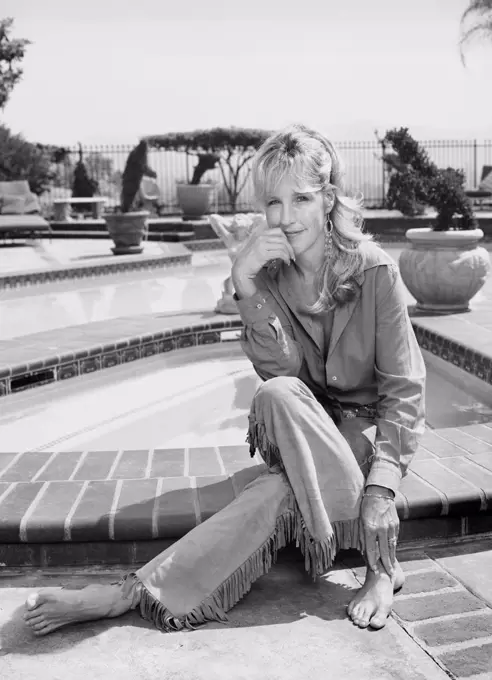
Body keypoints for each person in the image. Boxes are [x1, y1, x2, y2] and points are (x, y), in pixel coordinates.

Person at [23, 124, 426, 637]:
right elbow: (281, 375)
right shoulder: (270, 277)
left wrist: (382, 490)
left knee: (275, 490)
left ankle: (124, 595)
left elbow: (405, 391)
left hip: (363, 436)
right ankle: (381, 565)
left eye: (301, 198)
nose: (285, 217)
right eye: (273, 202)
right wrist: (244, 282)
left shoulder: (375, 272)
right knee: (277, 394)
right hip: (304, 425)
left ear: (327, 199)